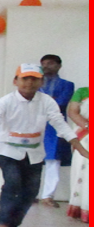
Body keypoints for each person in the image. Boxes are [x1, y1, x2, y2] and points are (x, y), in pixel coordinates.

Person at [0, 64, 88, 227]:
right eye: (25, 78)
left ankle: (13, 226)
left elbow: (61, 125)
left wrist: (81, 148)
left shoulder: (47, 102)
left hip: (35, 152)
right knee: (12, 184)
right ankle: (2, 225)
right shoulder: (4, 102)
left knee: (31, 192)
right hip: (8, 150)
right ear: (15, 81)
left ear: (41, 82)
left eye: (34, 79)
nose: (29, 83)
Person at [38, 54, 75, 208]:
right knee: (30, 160)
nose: (46, 66)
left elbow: (60, 103)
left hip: (54, 128)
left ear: (59, 66)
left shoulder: (67, 85)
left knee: (53, 161)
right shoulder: (34, 83)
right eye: (43, 63)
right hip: (34, 126)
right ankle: (28, 194)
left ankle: (48, 196)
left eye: (50, 63)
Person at [66, 87, 89, 223]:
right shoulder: (83, 92)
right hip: (86, 137)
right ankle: (85, 208)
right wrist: (88, 126)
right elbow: (72, 112)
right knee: (85, 171)